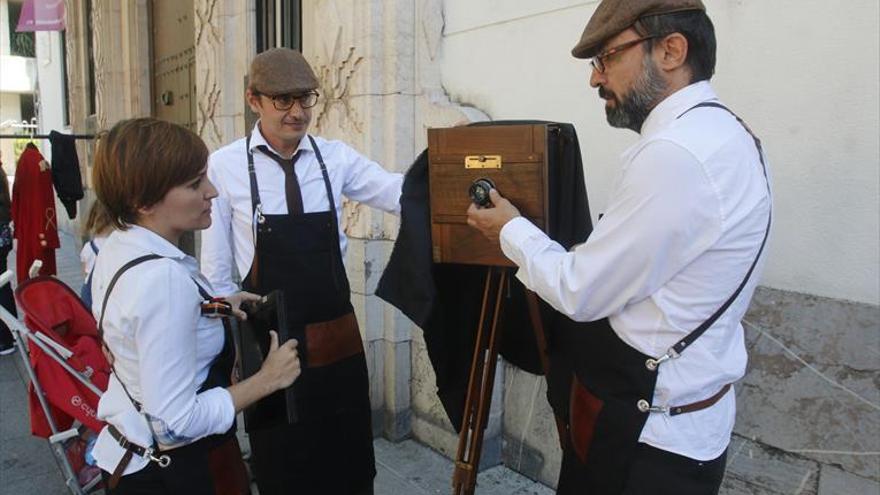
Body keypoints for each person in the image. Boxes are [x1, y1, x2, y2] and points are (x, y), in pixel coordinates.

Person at [467, 1, 772, 493]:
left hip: (646, 442)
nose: (595, 79)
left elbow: (580, 291)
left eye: (607, 57)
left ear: (671, 50)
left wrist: (509, 230)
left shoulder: (675, 155)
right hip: (684, 430)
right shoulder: (731, 133)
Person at [200, 47, 403, 495]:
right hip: (268, 349)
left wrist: (449, 169)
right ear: (254, 100)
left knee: (349, 469)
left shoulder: (335, 158)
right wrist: (229, 353)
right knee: (284, 472)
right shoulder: (225, 165)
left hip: (338, 344)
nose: (297, 112)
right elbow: (215, 272)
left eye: (305, 99)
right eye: (283, 100)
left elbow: (398, 193)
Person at [89, 118, 302, 494]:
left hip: (128, 456)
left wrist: (213, 306)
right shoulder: (162, 281)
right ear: (143, 201)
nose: (213, 192)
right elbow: (174, 424)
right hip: (171, 474)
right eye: (194, 184)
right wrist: (267, 379)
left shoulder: (118, 245)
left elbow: (137, 330)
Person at [79, 201, 113, 310]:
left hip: (90, 293)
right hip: (110, 292)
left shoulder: (88, 247)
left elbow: (85, 273)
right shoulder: (116, 246)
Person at [0, 156, 17, 355]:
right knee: (3, 285)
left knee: (2, 287)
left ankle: (5, 338)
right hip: (3, 236)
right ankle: (10, 334)